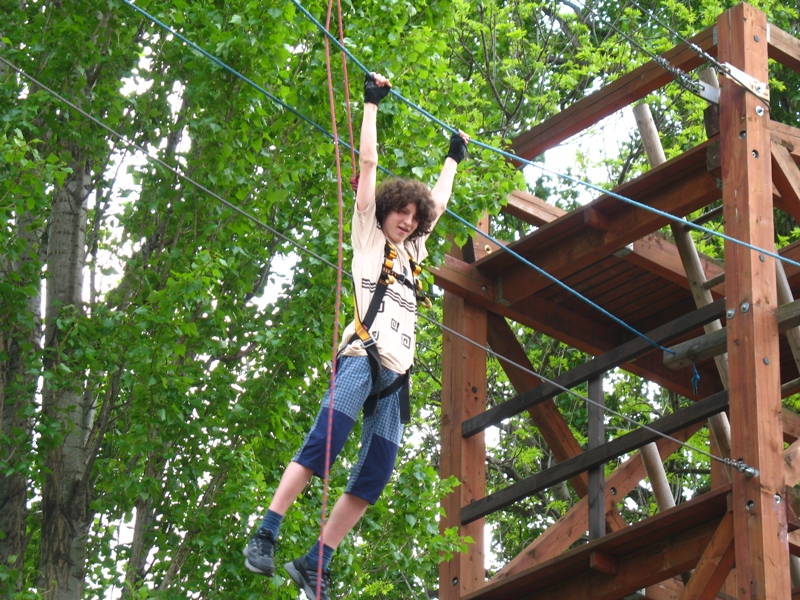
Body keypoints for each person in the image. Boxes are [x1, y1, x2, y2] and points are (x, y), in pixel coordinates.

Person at [243, 72, 469, 600]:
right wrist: (371, 105)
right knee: (325, 442)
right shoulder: (369, 233)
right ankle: (266, 533)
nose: (408, 222)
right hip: (361, 357)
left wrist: (454, 158)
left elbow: (438, 202)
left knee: (374, 477)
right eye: (401, 213)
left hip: (395, 378)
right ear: (385, 212)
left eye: (413, 218)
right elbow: (367, 164)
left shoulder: (414, 252)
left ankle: (315, 561)